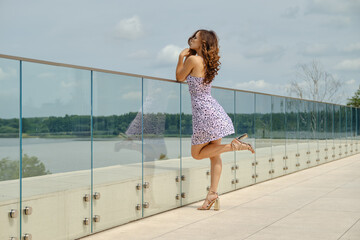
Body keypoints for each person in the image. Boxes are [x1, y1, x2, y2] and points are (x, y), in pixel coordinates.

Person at [176, 29, 255, 211]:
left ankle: (233, 146)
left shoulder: (192, 60)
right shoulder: (206, 62)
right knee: (214, 155)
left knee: (197, 154)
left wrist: (180, 57)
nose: (192, 38)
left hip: (204, 113)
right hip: (213, 111)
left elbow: (180, 77)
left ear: (203, 43)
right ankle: (212, 195)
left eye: (196, 37)